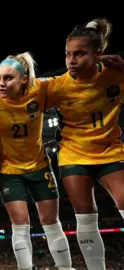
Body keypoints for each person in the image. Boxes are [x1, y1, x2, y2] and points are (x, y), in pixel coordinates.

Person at [46, 18, 124, 270]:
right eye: (68, 54)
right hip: (73, 155)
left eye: (79, 54)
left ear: (98, 53)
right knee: (86, 215)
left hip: (110, 152)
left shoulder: (116, 76)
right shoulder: (57, 86)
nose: (71, 60)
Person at [0, 52, 73, 270]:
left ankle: (66, 268)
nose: (1, 84)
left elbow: (72, 81)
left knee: (51, 223)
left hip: (39, 167)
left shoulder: (40, 89)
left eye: (8, 78)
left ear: (24, 79)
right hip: (9, 171)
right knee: (20, 225)